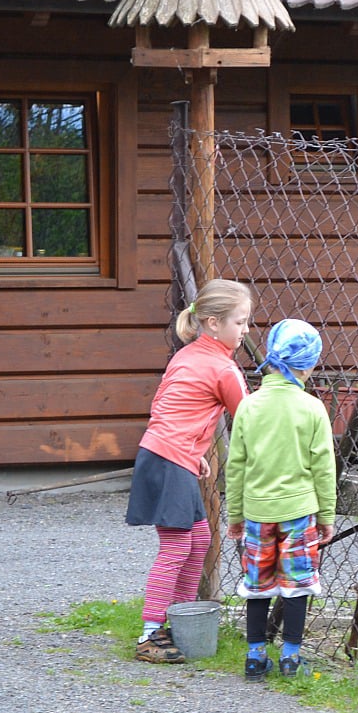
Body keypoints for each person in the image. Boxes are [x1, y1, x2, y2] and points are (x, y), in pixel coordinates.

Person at [125, 279, 254, 664]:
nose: (246, 330)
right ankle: (151, 634)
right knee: (178, 546)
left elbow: (170, 407)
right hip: (170, 459)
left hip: (162, 454)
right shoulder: (223, 368)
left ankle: (180, 623)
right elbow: (249, 420)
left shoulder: (188, 355)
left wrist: (193, 450)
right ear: (213, 323)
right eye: (240, 322)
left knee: (198, 540)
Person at [226, 318, 337, 681]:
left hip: (257, 512)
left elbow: (236, 466)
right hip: (299, 512)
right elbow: (323, 469)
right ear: (308, 364)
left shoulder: (249, 406)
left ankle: (255, 655)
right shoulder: (312, 408)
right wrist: (326, 516)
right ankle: (291, 656)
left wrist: (236, 514)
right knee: (298, 583)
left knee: (257, 584)